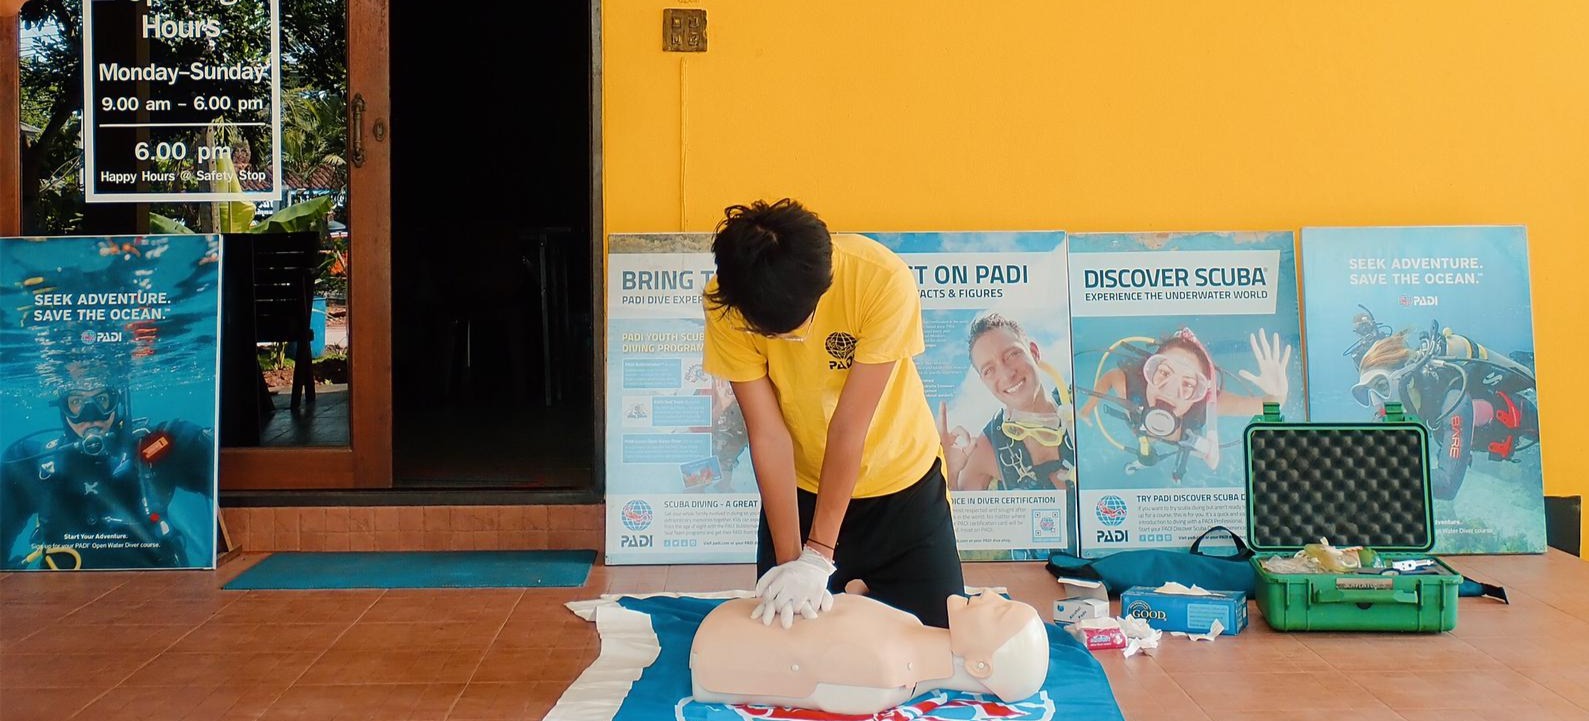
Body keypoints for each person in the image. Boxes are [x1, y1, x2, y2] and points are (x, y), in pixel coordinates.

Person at [702, 198, 963, 629]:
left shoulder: (880, 281)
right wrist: (792, 565)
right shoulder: (729, 302)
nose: (793, 339)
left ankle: (854, 586)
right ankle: (839, 588)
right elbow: (767, 434)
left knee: (940, 636)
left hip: (901, 484)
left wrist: (819, 556)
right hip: (802, 485)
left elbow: (849, 427)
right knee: (787, 639)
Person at [1, 359, 214, 570]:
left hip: (155, 593)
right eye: (76, 402)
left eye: (102, 400)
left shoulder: (158, 446)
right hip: (63, 598)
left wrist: (201, 441)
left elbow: (221, 469)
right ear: (63, 408)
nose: (90, 416)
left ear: (117, 402)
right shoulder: (31, 462)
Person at [689, 591, 1049, 715]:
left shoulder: (886, 674)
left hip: (720, 645)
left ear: (980, 665)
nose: (991, 595)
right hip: (729, 629)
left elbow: (797, 674)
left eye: (1000, 612)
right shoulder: (907, 630)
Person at [1077, 327, 1290, 483]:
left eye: (1188, 383)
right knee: (1145, 448)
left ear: (1201, 393)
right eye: (1164, 373)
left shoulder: (1207, 405)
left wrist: (1278, 392)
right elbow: (1107, 379)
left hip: (1184, 440)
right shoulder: (1128, 386)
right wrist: (1085, 411)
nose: (1170, 390)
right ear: (1149, 371)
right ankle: (1143, 455)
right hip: (1142, 430)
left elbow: (1269, 405)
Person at [1353, 321, 1538, 500]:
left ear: (1404, 379)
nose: (1378, 403)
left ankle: (1534, 368)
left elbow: (1447, 484)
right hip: (1484, 430)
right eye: (1370, 394)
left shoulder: (1454, 403)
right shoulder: (1411, 396)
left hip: (1522, 417)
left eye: (1382, 387)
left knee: (1552, 434)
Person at [939, 313, 1076, 494]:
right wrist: (950, 473)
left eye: (1012, 354)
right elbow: (960, 518)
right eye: (989, 370)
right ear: (984, 382)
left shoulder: (1080, 408)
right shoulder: (985, 450)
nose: (1006, 375)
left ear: (1034, 352)